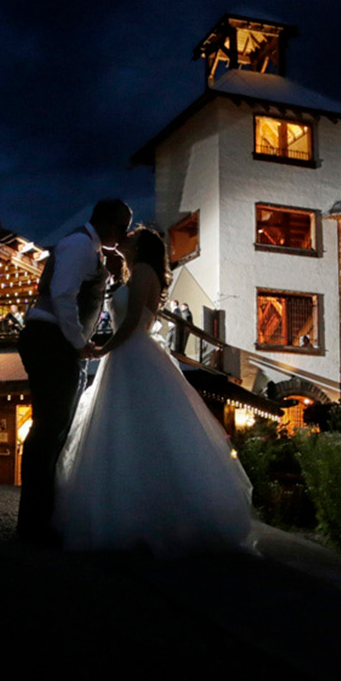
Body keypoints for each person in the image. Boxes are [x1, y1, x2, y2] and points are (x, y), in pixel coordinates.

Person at [53, 228, 255, 558]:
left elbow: (132, 321)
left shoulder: (145, 272)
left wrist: (101, 350)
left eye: (130, 237)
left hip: (133, 353)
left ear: (142, 246)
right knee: (123, 430)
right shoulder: (134, 273)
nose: (125, 240)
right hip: (127, 355)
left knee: (137, 429)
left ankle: (147, 518)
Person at [17, 198, 132, 545]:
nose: (124, 234)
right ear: (110, 224)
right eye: (123, 226)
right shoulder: (80, 245)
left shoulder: (87, 248)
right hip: (52, 340)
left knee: (54, 430)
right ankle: (33, 524)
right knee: (49, 430)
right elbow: (63, 295)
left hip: (55, 341)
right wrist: (78, 340)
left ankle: (39, 519)